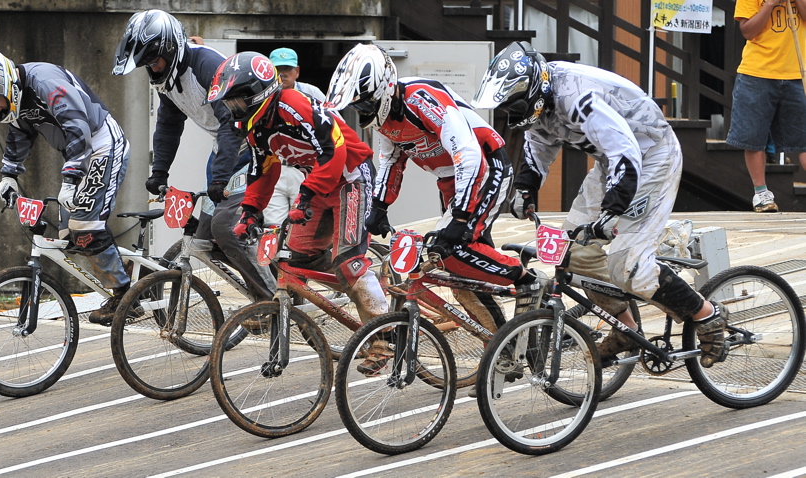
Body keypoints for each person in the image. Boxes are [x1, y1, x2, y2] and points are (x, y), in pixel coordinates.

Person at [471, 41, 729, 368]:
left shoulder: (579, 98)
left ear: (533, 88)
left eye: (514, 105)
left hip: (650, 159)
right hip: (611, 162)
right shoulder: (540, 101)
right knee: (571, 252)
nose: (512, 114)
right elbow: (538, 145)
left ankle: (708, 316)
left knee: (628, 265)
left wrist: (613, 209)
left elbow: (626, 152)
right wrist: (525, 187)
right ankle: (626, 328)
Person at [325, 44, 546, 342]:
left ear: (385, 88)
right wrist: (380, 206)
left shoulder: (421, 99)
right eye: (357, 107)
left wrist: (460, 216)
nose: (362, 112)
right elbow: (391, 160)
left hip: (485, 165)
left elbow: (468, 155)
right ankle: (505, 347)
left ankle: (528, 281)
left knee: (453, 250)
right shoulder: (386, 120)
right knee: (461, 276)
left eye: (364, 105)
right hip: (450, 179)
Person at [206, 51, 389, 371]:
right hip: (317, 186)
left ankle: (385, 335)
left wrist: (305, 195)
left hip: (349, 178)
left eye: (236, 100)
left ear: (257, 93)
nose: (231, 108)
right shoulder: (256, 127)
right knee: (300, 260)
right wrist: (249, 212)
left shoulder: (293, 105)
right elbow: (263, 172)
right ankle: (361, 286)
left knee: (348, 261)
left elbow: (334, 150)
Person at [112, 9, 276, 301]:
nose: (153, 69)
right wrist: (159, 171)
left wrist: (221, 177)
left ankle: (271, 301)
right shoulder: (168, 79)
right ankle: (266, 269)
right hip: (224, 150)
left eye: (154, 60)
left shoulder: (206, 65)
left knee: (226, 229)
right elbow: (168, 124)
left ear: (171, 48)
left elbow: (231, 124)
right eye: (147, 64)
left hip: (250, 147)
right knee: (205, 241)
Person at [0, 49, 133, 326]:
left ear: (4, 84)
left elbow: (78, 127)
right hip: (77, 153)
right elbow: (19, 133)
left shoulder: (46, 84)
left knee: (84, 226)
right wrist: (9, 175)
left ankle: (126, 297)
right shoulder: (15, 101)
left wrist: (70, 179)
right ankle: (125, 268)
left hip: (101, 144)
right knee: (70, 235)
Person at [726, 0, 806, 212]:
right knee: (753, 137)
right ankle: (761, 193)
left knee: (804, 138)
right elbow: (748, 31)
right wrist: (769, 4)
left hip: (798, 72)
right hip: (756, 72)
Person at [256, 47, 328, 227]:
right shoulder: (261, 95)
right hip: (276, 167)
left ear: (297, 71)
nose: (283, 74)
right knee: (273, 227)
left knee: (305, 223)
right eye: (278, 70)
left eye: (287, 69)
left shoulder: (312, 93)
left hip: (305, 169)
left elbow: (336, 129)